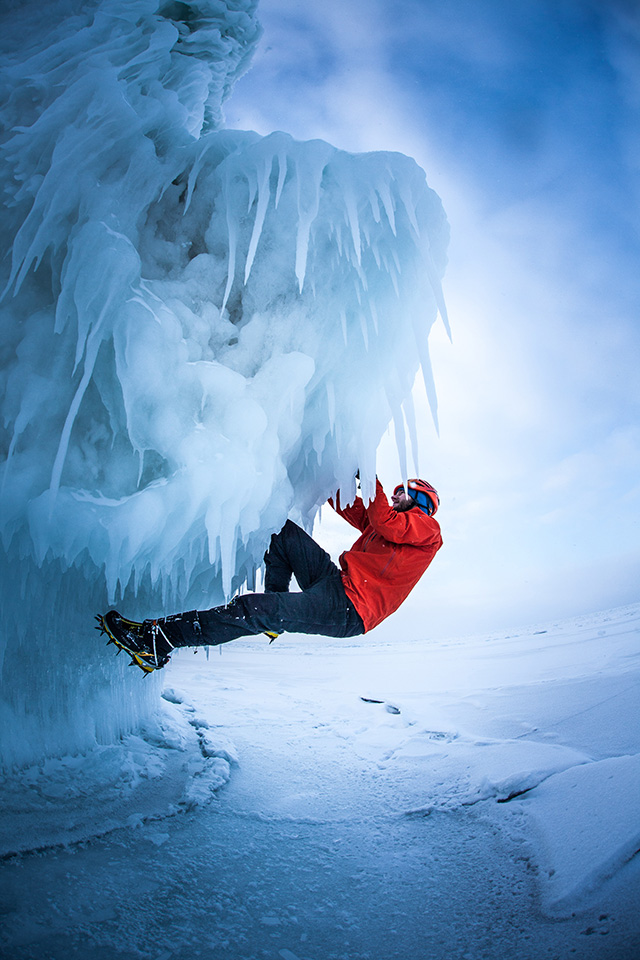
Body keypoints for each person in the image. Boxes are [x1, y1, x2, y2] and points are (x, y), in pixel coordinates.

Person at [97, 478, 443, 673]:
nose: (394, 494)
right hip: (337, 583)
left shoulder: (427, 530)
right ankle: (274, 610)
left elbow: (383, 518)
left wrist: (371, 478)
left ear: (419, 501)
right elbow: (350, 504)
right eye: (394, 490)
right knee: (281, 530)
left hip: (351, 609)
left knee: (250, 609)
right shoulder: (389, 527)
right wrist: (330, 470)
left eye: (403, 492)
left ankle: (157, 642)